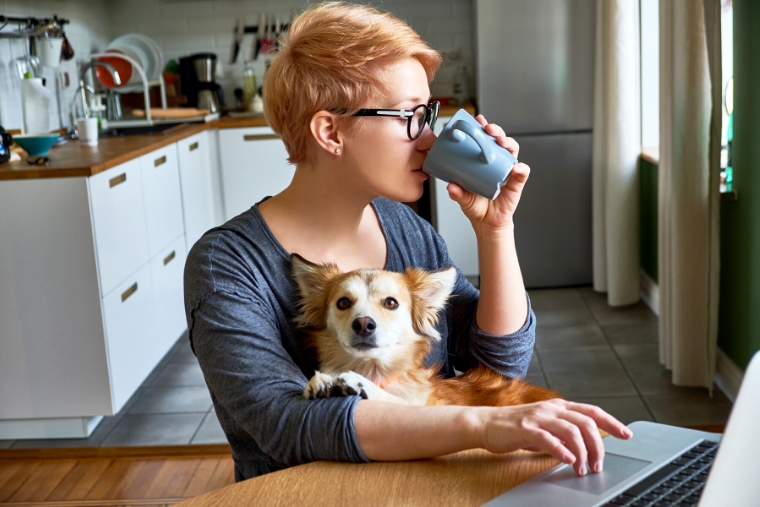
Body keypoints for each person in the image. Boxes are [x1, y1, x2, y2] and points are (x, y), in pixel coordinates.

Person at [184, 1, 631, 483]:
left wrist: (495, 231)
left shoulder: (404, 227)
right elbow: (289, 425)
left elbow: (498, 366)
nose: (428, 139)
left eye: (429, 114)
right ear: (330, 131)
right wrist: (482, 423)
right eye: (410, 116)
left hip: (424, 481)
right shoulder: (226, 265)